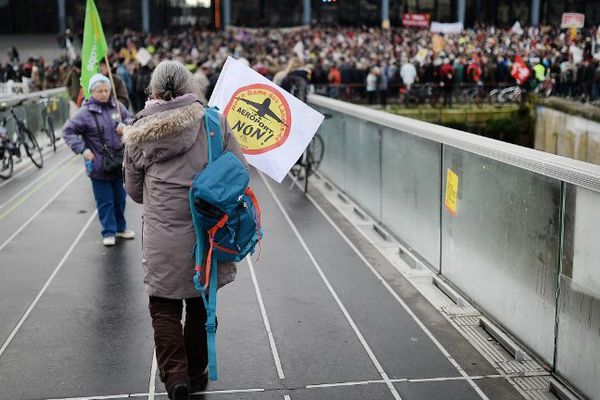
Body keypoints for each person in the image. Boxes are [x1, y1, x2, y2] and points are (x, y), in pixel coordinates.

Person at [122, 60, 246, 400]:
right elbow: (238, 169)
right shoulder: (214, 121)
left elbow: (133, 191)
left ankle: (175, 376)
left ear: (154, 89)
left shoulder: (138, 131)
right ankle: (195, 370)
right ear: (191, 86)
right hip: (207, 232)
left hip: (161, 237)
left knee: (163, 306)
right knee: (201, 304)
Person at [62, 74, 135, 246]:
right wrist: (82, 149)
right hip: (98, 165)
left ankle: (121, 228)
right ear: (91, 92)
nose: (103, 94)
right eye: (99, 91)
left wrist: (127, 126)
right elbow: (68, 131)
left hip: (119, 162)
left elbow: (132, 119)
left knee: (120, 199)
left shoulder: (118, 106)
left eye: (106, 90)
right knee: (105, 201)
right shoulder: (84, 113)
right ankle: (108, 231)